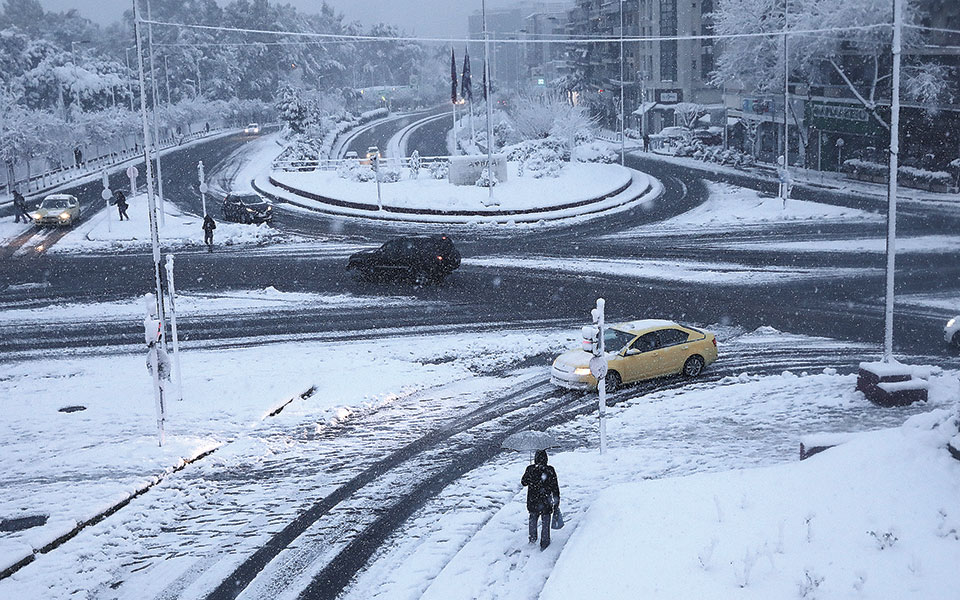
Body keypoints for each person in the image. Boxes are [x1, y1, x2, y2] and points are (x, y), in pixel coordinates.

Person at [521, 449, 560, 551]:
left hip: (533, 501)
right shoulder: (550, 470)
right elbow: (555, 487)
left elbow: (523, 482)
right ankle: (545, 542)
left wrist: (531, 472)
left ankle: (532, 539)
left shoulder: (530, 469)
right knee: (545, 521)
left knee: (533, 519)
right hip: (546, 501)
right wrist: (556, 501)